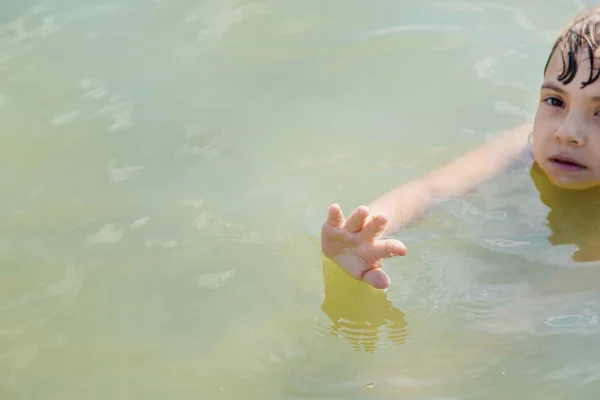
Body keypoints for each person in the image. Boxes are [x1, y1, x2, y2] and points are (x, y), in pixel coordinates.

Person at [321, 4, 600, 290]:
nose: (567, 133)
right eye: (556, 101)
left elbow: (561, 290)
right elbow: (429, 190)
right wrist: (366, 230)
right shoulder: (523, 145)